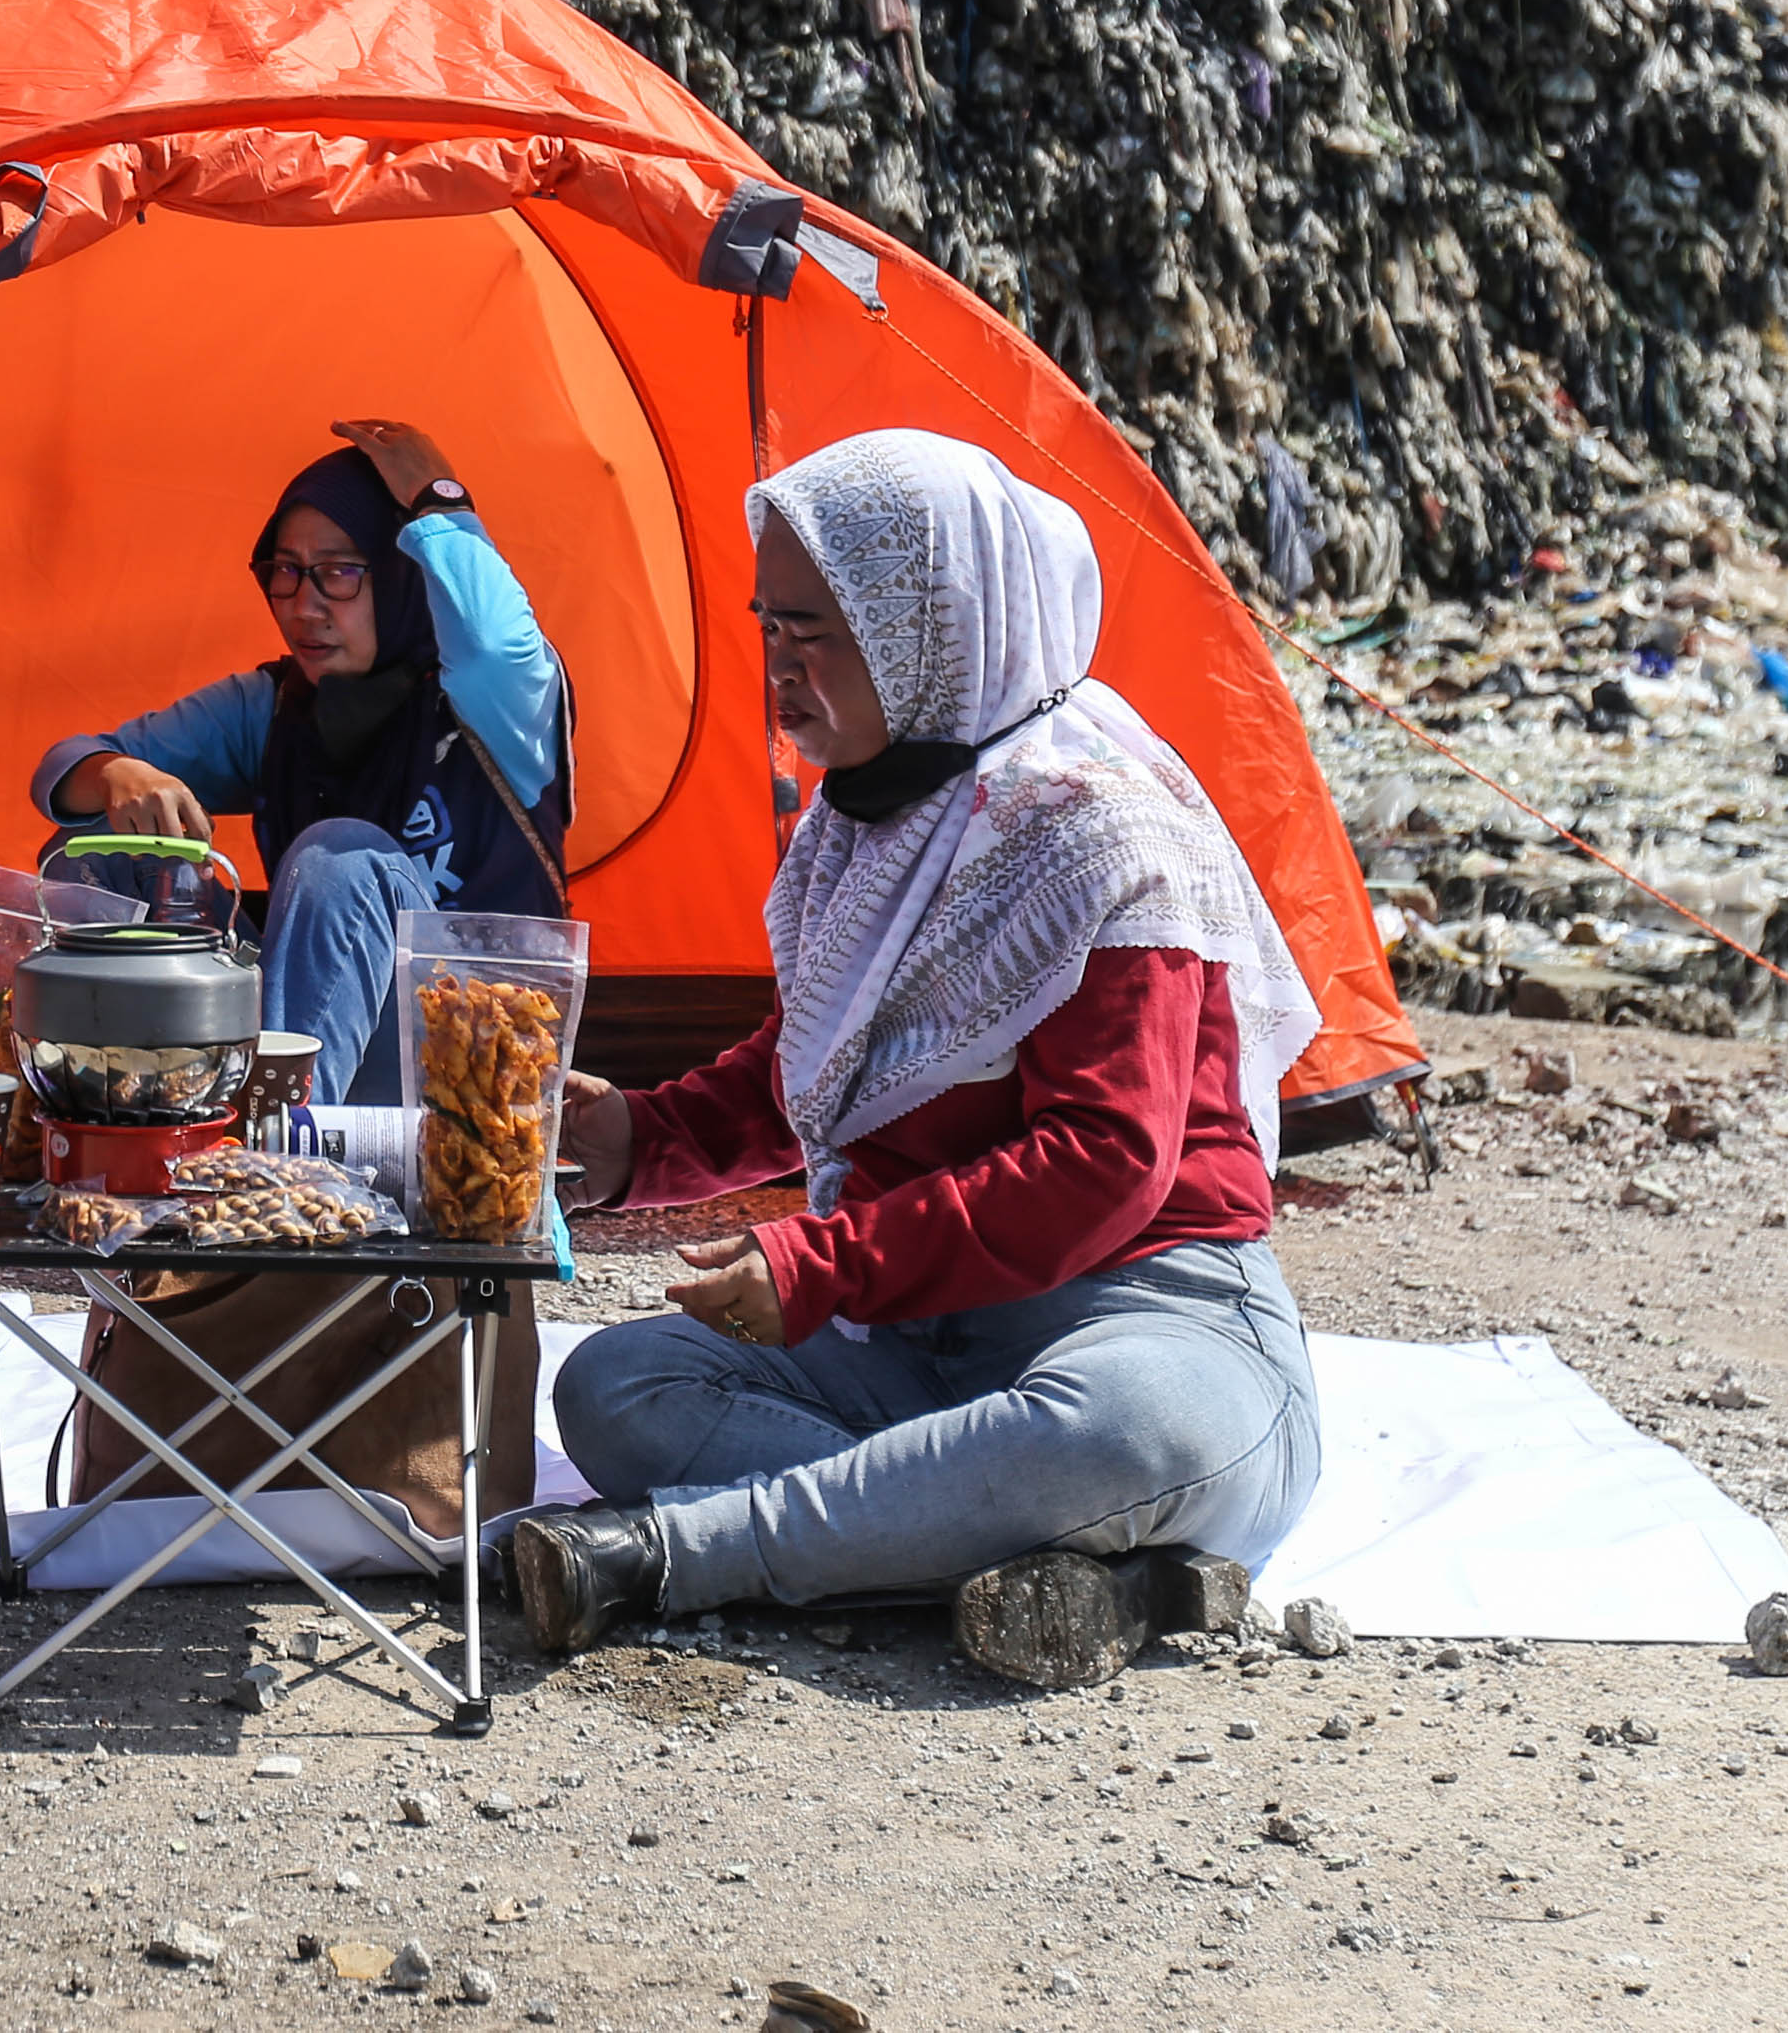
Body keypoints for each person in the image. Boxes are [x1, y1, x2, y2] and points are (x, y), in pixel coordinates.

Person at [506, 428, 1322, 1687]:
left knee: (1125, 1429)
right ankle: (1033, 1550)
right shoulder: (866, 823)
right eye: (766, 626)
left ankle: (686, 1554)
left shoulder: (1096, 830)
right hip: (925, 1349)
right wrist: (638, 1143)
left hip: (1152, 1316)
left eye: (812, 633)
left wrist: (820, 1265)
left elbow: (1105, 1162)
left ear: (927, 627)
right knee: (614, 1387)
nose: (776, 668)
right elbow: (828, 1068)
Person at [31, 419, 566, 1105]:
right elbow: (62, 768)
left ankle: (271, 1162)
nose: (304, 605)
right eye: (286, 571)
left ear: (406, 575)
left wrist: (440, 502)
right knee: (98, 849)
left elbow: (498, 645)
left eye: (340, 571)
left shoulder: (495, 704)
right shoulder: (279, 705)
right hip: (316, 1040)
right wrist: (116, 772)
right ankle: (130, 1127)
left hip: (468, 1082)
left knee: (340, 857)